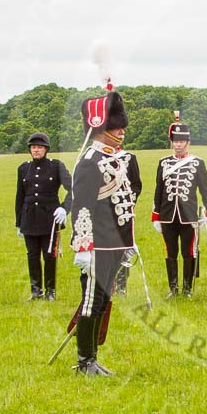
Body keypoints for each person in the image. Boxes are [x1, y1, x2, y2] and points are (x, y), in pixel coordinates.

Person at [67, 83, 141, 376]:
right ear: (100, 129)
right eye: (116, 126)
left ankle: (92, 357)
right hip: (96, 244)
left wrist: (128, 241)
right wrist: (83, 246)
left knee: (102, 301)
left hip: (115, 243)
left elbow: (124, 203)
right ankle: (84, 361)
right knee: (90, 300)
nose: (121, 131)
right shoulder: (90, 162)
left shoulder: (116, 159)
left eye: (121, 126)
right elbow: (81, 207)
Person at [151, 112, 207, 298]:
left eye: (181, 141)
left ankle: (187, 289)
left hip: (188, 216)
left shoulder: (197, 163)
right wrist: (156, 216)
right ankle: (173, 288)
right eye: (175, 141)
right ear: (172, 142)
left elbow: (204, 188)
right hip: (168, 214)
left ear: (188, 142)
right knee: (171, 252)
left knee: (188, 252)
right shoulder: (163, 163)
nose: (178, 144)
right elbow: (158, 190)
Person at [15, 132, 70, 301]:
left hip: (49, 219)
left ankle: (50, 290)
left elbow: (73, 189)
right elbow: (20, 196)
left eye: (39, 147)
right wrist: (19, 222)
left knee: (49, 255)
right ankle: (35, 289)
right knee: (32, 255)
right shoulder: (23, 168)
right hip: (29, 218)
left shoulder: (56, 166)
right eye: (33, 147)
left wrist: (64, 209)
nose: (36, 150)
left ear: (46, 149)